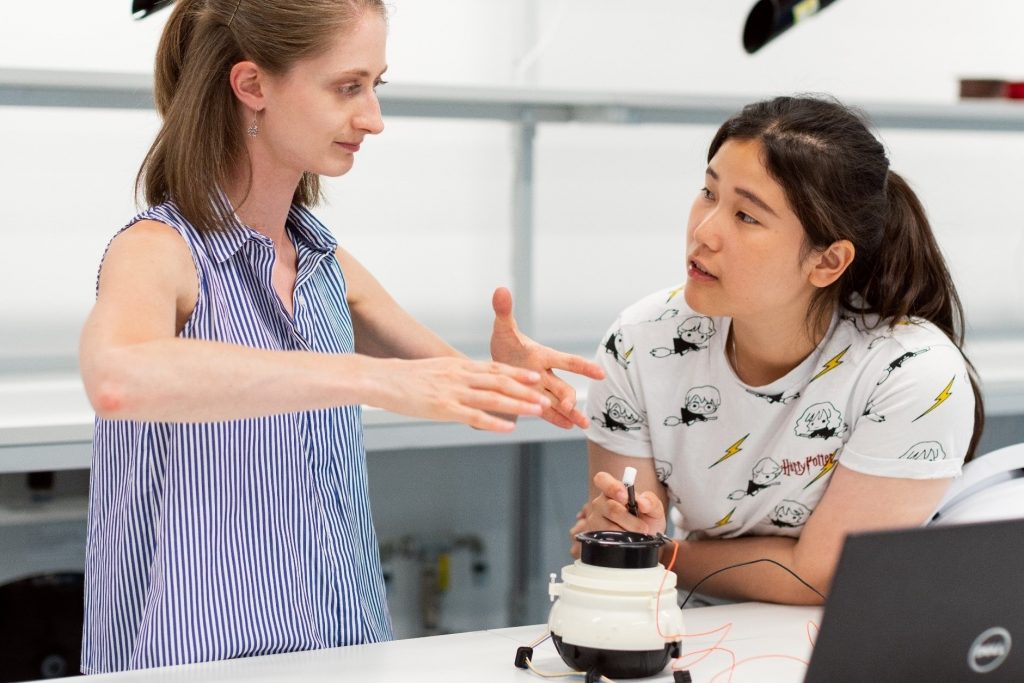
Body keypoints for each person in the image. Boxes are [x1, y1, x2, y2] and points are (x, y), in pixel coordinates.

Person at [78, 0, 602, 673]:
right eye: (346, 87)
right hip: (194, 664)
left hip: (343, 652)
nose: (373, 119)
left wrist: (516, 382)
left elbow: (466, 396)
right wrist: (366, 375)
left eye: (375, 87)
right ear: (252, 86)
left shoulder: (323, 261)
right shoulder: (159, 250)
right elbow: (119, 378)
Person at [574, 95, 984, 606]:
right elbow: (621, 544)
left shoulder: (910, 372)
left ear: (828, 260)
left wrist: (663, 554)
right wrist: (626, 537)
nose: (704, 231)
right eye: (708, 192)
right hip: (691, 630)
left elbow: (823, 576)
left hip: (850, 640)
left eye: (746, 215)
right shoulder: (642, 340)